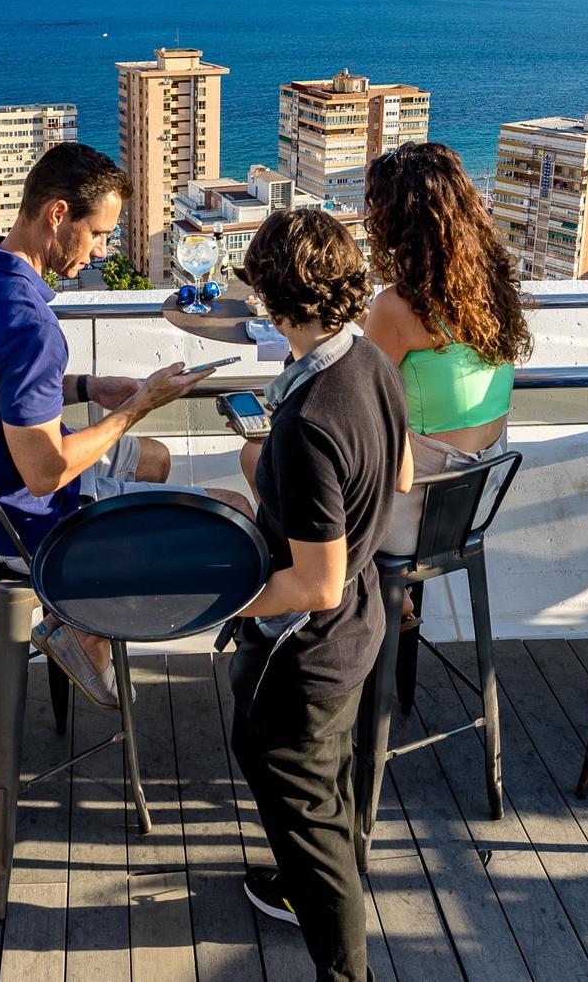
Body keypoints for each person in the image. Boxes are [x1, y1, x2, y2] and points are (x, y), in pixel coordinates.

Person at [0, 142, 248, 709]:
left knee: (155, 461)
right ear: (57, 214)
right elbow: (45, 472)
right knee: (235, 511)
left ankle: (84, 623)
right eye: (98, 234)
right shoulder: (31, 325)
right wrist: (138, 404)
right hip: (26, 534)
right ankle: (83, 626)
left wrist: (87, 389)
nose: (101, 251)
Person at [229, 208, 411, 982]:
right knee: (325, 778)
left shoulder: (306, 421)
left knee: (283, 766)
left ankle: (344, 964)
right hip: (361, 622)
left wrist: (221, 596)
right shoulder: (370, 362)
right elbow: (397, 478)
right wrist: (276, 482)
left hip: (312, 642)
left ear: (276, 304)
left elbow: (314, 581)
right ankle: (308, 877)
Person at [361, 141, 530, 573]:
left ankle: (324, 613)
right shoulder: (490, 288)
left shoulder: (398, 307)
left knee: (276, 465)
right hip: (475, 504)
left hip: (414, 517)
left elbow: (357, 397)